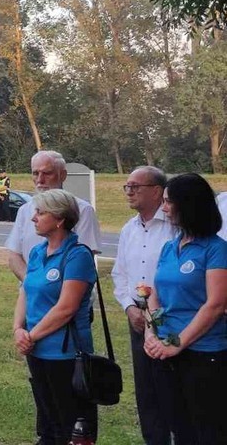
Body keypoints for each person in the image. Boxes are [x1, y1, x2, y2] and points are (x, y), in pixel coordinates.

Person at [143, 173, 227, 445]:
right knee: (179, 428)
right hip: (167, 351)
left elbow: (215, 305)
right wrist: (152, 334)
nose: (163, 208)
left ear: (188, 205)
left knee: (208, 430)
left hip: (203, 355)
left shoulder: (216, 250)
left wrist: (177, 343)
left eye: (168, 202)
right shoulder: (170, 246)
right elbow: (155, 294)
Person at [12, 190, 99, 445]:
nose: (33, 219)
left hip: (65, 353)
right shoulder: (38, 253)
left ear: (60, 219)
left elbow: (66, 308)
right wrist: (18, 328)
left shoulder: (78, 256)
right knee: (47, 421)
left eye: (40, 213)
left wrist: (31, 334)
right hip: (36, 350)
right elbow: (26, 291)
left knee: (68, 423)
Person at [109, 166, 174, 445]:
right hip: (137, 318)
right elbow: (119, 274)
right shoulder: (128, 229)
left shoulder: (175, 226)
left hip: (170, 320)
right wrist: (129, 307)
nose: (130, 191)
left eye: (136, 186)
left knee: (172, 390)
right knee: (146, 392)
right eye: (127, 186)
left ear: (157, 191)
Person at [6, 151, 102, 281]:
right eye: (35, 173)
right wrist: (33, 284)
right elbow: (14, 255)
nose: (40, 180)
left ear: (62, 175)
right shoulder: (24, 211)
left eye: (47, 173)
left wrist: (49, 288)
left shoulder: (82, 210)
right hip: (31, 295)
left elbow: (84, 258)